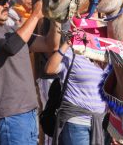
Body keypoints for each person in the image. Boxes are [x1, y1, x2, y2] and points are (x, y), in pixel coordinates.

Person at [0, 0, 61, 145]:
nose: (6, 4)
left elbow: (50, 45)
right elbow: (10, 47)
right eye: (0, 1)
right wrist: (35, 15)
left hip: (26, 112)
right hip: (10, 116)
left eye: (7, 0)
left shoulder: (12, 31)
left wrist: (56, 17)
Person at [44, 16, 110, 145]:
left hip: (101, 123)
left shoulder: (106, 56)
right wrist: (67, 43)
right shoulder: (72, 54)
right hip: (76, 123)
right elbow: (49, 69)